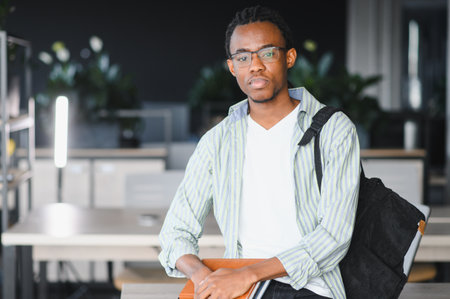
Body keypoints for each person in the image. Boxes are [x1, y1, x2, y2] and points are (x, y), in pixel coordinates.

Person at [159, 5, 360, 299]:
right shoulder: (218, 141)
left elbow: (333, 237)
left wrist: (248, 275)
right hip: (239, 288)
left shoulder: (334, 130)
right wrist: (203, 277)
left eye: (267, 53)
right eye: (243, 57)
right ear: (232, 67)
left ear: (289, 57)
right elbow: (175, 233)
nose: (255, 65)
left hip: (310, 287)